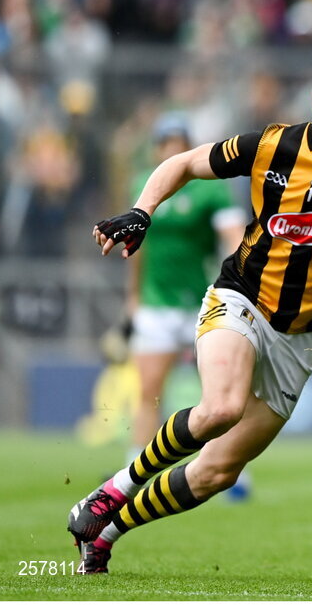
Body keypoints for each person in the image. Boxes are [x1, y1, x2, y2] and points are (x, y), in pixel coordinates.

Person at [67, 58, 312, 574]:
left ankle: (108, 532)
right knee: (221, 407)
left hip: (302, 338)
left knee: (219, 470)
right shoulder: (273, 145)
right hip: (241, 300)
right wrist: (143, 209)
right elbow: (184, 164)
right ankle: (112, 491)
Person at [122, 112, 246, 475]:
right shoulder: (143, 186)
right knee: (149, 391)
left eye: (178, 143)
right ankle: (132, 470)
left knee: (221, 396)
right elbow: (135, 250)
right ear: (157, 149)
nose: (171, 150)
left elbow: (234, 235)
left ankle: (230, 467)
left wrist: (246, 277)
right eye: (166, 143)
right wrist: (131, 297)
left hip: (200, 303)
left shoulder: (209, 188)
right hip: (155, 304)